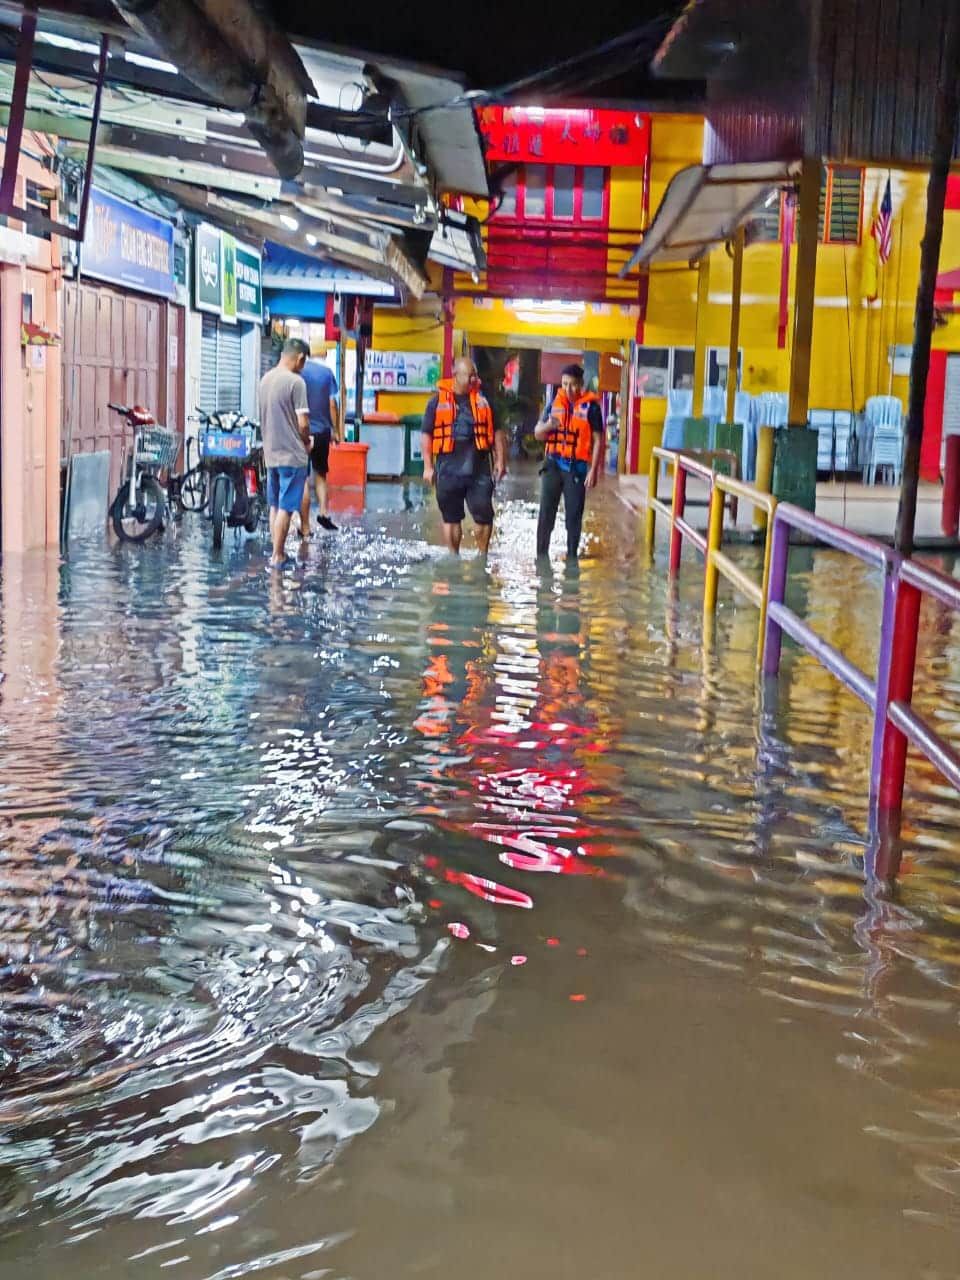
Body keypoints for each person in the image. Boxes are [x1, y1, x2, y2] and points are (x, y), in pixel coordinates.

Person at [421, 357, 507, 555]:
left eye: (475, 375)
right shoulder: (436, 403)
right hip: (448, 469)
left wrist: (501, 461)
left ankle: (482, 557)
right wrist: (428, 466)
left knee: (484, 516)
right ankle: (453, 557)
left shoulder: (485, 402)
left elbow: (498, 432)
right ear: (456, 376)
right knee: (451, 518)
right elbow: (426, 434)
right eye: (469, 376)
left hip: (479, 469)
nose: (474, 379)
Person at [534, 364, 604, 560]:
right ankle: (541, 556)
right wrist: (549, 425)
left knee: (573, 516)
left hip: (576, 468)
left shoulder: (592, 408)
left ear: (580, 384)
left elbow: (599, 440)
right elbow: (537, 433)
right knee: (546, 512)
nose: (568, 389)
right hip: (553, 464)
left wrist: (593, 471)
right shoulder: (553, 404)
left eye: (573, 385)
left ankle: (572, 557)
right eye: (564, 384)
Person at [258, 337, 310, 571]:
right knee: (287, 507)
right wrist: (307, 441)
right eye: (303, 362)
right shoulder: (295, 382)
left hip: (271, 453)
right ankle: (278, 555)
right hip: (292, 455)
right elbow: (303, 423)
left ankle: (275, 550)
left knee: (274, 505)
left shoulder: (265, 380)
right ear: (300, 358)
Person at [299, 354, 341, 536]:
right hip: (323, 431)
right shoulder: (326, 373)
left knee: (302, 479)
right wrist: (336, 430)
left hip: (301, 431)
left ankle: (305, 525)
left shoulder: (297, 372)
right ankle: (323, 512)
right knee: (321, 473)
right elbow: (332, 404)